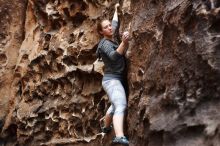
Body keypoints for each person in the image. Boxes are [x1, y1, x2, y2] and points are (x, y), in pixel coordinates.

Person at [96, 3, 130, 145]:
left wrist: (116, 9)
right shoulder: (104, 44)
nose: (110, 28)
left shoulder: (111, 35)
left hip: (115, 79)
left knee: (114, 106)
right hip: (111, 81)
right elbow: (114, 56)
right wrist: (124, 42)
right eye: (106, 27)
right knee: (121, 104)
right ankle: (119, 136)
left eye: (109, 25)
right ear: (101, 32)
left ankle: (106, 126)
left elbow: (115, 24)